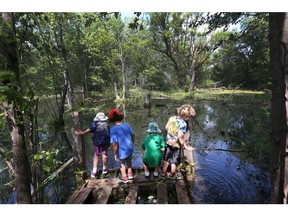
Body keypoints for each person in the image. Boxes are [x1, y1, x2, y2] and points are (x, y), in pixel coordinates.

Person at [161, 104, 196, 179]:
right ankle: (173, 174)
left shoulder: (172, 118)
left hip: (168, 143)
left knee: (166, 159)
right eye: (189, 117)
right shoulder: (183, 124)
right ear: (187, 116)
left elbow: (166, 127)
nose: (189, 119)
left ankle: (163, 173)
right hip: (176, 145)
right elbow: (180, 137)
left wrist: (172, 132)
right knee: (174, 161)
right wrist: (186, 147)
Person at [75, 112, 110, 178]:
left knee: (96, 154)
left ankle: (94, 171)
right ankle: (104, 169)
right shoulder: (106, 124)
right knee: (104, 153)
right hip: (106, 140)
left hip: (97, 141)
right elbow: (109, 133)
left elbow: (90, 129)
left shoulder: (95, 123)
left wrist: (83, 133)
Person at [109, 108, 135, 183]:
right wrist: (132, 142)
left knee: (121, 163)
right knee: (129, 160)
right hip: (130, 147)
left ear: (112, 119)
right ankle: (130, 174)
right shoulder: (126, 124)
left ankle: (124, 177)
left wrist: (115, 154)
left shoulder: (113, 129)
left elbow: (114, 143)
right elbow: (133, 134)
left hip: (121, 150)